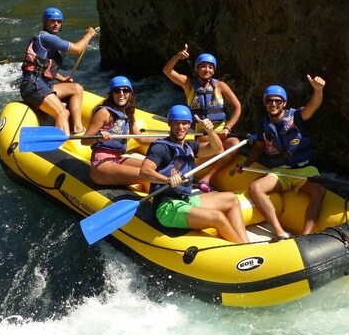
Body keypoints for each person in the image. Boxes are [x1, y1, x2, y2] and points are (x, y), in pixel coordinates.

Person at [139, 105, 249, 244]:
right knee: (218, 217)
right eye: (177, 123)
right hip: (167, 207)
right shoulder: (160, 147)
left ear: (189, 125)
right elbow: (144, 171)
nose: (181, 127)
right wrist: (167, 179)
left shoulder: (190, 146)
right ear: (170, 124)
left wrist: (210, 131)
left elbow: (218, 148)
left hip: (185, 199)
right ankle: (241, 248)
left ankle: (245, 243)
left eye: (184, 123)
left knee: (232, 199)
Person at [236, 76, 327, 239]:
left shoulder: (297, 116)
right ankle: (279, 231)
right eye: (270, 101)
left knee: (319, 190)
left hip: (305, 168)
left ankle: (306, 235)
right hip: (281, 171)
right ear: (265, 103)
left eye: (278, 101)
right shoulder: (262, 125)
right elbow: (259, 147)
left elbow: (313, 106)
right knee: (256, 188)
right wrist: (246, 163)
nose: (273, 104)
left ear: (284, 103)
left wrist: (318, 90)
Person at [162, 44, 242, 192]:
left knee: (235, 143)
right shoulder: (189, 84)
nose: (207, 70)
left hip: (221, 132)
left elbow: (237, 107)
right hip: (203, 134)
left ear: (214, 69)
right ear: (197, 69)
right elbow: (167, 71)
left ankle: (206, 178)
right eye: (203, 66)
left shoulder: (221, 86)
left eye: (210, 67)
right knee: (218, 148)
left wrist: (227, 127)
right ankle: (190, 171)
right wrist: (178, 57)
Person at [20, 7, 97, 135]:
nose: (56, 24)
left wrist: (62, 79)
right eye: (52, 21)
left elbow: (43, 67)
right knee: (63, 112)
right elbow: (77, 49)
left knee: (76, 88)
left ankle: (78, 128)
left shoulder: (49, 42)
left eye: (59, 21)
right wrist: (89, 34)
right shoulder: (46, 38)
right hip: (32, 86)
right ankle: (63, 141)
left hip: (42, 84)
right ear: (45, 22)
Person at [81, 76, 152, 192]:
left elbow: (142, 139)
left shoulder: (127, 115)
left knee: (154, 169)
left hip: (118, 158)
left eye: (125, 90)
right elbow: (84, 140)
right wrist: (98, 138)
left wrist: (169, 139)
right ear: (112, 94)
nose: (121, 94)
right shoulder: (104, 112)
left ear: (130, 93)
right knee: (148, 175)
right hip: (101, 163)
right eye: (117, 90)